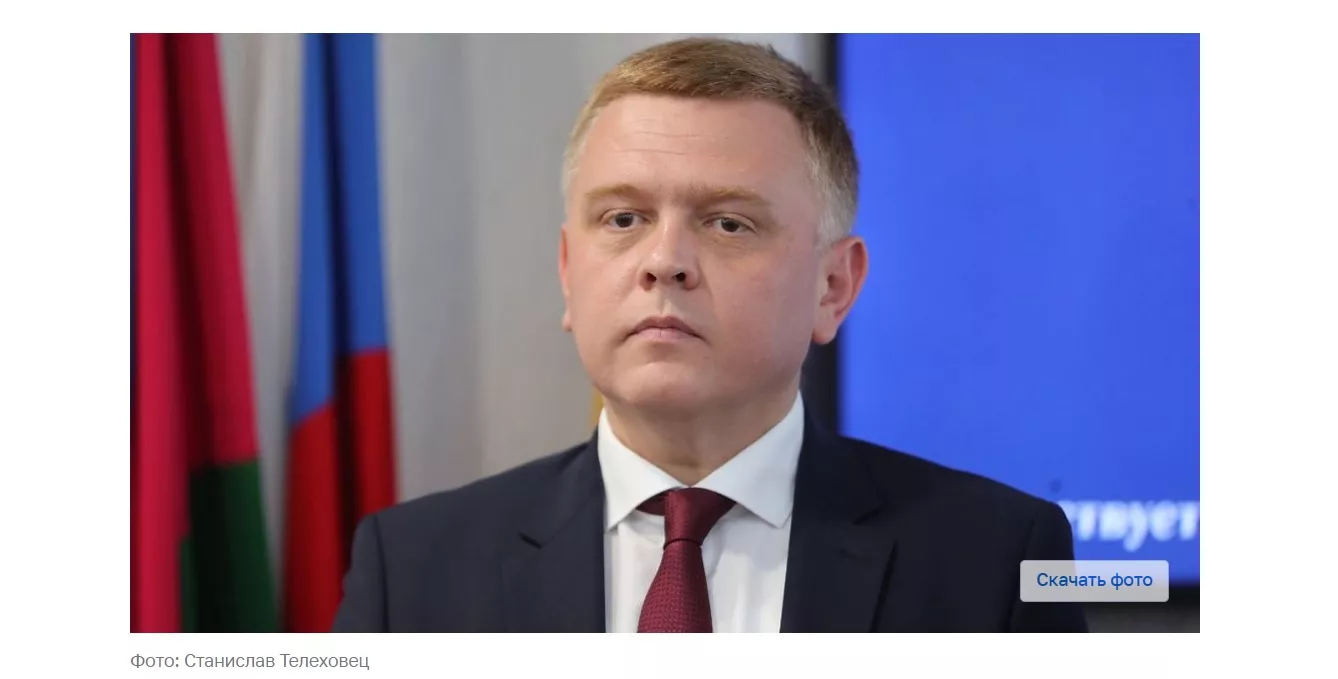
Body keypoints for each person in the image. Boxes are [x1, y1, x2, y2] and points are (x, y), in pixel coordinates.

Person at [332, 37, 1087, 633]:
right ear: (568, 272)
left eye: (729, 223)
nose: (664, 261)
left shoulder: (994, 560)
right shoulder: (412, 569)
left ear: (833, 286)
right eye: (623, 218)